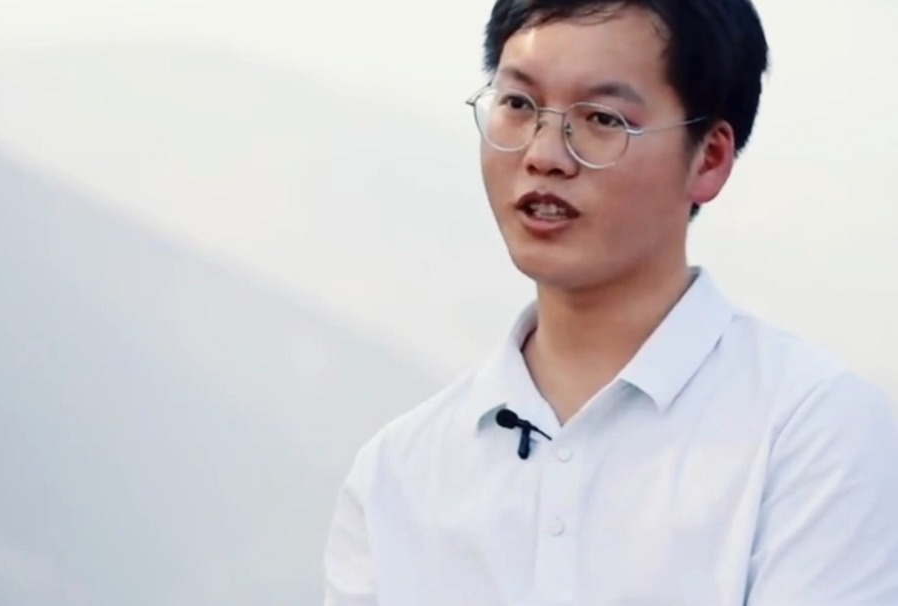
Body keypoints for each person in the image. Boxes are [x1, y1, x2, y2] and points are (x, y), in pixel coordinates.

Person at [321, 1, 898, 605]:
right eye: (518, 104)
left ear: (709, 158)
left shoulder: (809, 431)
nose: (544, 154)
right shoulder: (397, 476)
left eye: (601, 118)